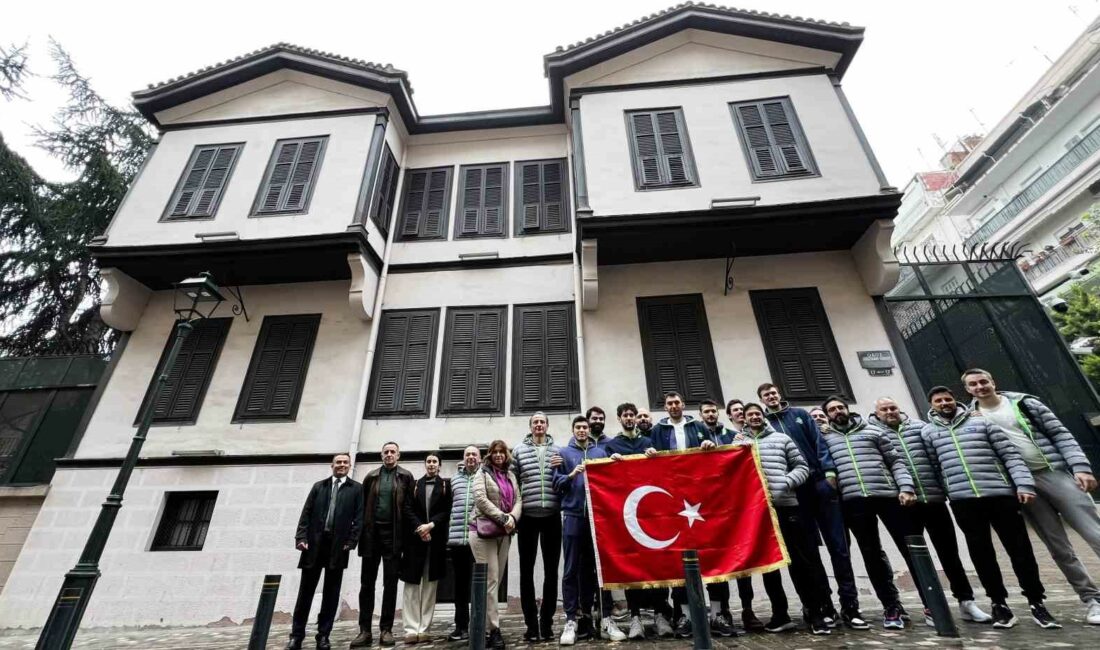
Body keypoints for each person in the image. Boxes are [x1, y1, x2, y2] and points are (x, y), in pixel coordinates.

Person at [964, 368, 1100, 625]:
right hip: (1021, 484)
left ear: (993, 381)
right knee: (1059, 548)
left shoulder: (1024, 403)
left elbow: (1060, 433)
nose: (980, 386)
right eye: (974, 384)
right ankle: (1092, 599)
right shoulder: (969, 416)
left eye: (984, 381)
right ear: (968, 390)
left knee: (1094, 532)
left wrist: (1080, 466)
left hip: (1053, 472)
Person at [921, 386, 1059, 629]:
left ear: (956, 400)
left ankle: (1037, 603)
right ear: (931, 405)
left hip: (1000, 495)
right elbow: (934, 466)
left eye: (948, 399)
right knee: (981, 554)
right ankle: (999, 604)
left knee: (1020, 549)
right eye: (938, 400)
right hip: (963, 501)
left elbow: (1009, 455)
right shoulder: (928, 433)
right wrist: (950, 490)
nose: (944, 403)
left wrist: (1023, 484)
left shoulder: (982, 423)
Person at [869, 397, 991, 625]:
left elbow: (938, 458)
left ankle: (966, 602)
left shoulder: (921, 428)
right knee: (914, 558)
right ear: (876, 414)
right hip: (902, 505)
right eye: (884, 409)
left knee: (949, 553)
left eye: (893, 407)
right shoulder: (872, 434)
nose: (890, 411)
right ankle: (930, 606)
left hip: (933, 499)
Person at [757, 382, 854, 626]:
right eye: (765, 395)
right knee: (809, 553)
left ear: (779, 394)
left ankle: (850, 605)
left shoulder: (800, 415)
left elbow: (819, 443)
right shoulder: (764, 426)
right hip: (795, 495)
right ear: (761, 400)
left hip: (820, 485)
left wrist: (830, 472)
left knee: (839, 547)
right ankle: (825, 604)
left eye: (773, 393)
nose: (771, 397)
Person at [735, 403, 831, 635]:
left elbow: (802, 466)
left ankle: (814, 613)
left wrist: (786, 482)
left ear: (763, 416)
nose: (755, 417)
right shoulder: (739, 444)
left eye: (758, 413)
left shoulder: (782, 439)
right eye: (750, 415)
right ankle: (780, 614)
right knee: (770, 566)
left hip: (788, 507)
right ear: (744, 420)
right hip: (759, 514)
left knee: (801, 563)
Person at [821, 395, 915, 630]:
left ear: (848, 409)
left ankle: (930, 603)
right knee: (872, 554)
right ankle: (891, 606)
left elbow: (895, 461)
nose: (837, 411)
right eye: (832, 410)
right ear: (827, 415)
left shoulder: (873, 431)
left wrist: (905, 487)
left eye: (840, 407)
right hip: (854, 502)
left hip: (888, 497)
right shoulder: (825, 438)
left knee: (910, 549)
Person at [644, 393, 732, 638]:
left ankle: (718, 614)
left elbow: (714, 454)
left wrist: (709, 447)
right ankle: (685, 615)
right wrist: (650, 452)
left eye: (677, 403)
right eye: (669, 404)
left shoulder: (699, 426)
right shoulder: (658, 430)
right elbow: (651, 459)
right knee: (678, 559)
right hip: (673, 502)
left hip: (702, 500)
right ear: (665, 407)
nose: (673, 406)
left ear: (683, 405)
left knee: (713, 556)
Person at [605, 402, 676, 640]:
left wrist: (655, 459)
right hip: (627, 516)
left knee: (658, 561)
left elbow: (662, 474)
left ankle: (659, 615)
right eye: (624, 415)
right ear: (619, 418)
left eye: (632, 415)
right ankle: (635, 617)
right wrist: (609, 462)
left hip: (651, 513)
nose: (629, 418)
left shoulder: (648, 443)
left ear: (636, 418)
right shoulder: (612, 445)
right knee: (632, 565)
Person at [555, 416, 625, 644]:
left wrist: (615, 462)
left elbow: (613, 481)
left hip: (598, 519)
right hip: (574, 516)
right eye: (578, 427)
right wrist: (572, 474)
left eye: (585, 427)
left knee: (599, 569)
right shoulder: (564, 453)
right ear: (573, 430)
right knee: (571, 569)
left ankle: (605, 618)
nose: (582, 430)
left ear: (589, 430)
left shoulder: (600, 452)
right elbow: (557, 485)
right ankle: (571, 620)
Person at [287, 453, 363, 650]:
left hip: (338, 547)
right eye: (338, 462)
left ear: (349, 465)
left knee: (331, 594)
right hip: (313, 545)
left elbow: (359, 518)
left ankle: (323, 636)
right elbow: (306, 513)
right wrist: (301, 538)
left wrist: (351, 542)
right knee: (305, 593)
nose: (342, 465)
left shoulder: (356, 489)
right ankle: (296, 636)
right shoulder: (319, 486)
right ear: (332, 465)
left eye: (345, 462)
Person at [353, 442, 415, 648]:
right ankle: (364, 631)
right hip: (372, 535)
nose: (389, 455)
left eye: (392, 452)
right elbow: (361, 509)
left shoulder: (405, 476)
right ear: (381, 455)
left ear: (398, 455)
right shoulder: (370, 477)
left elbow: (409, 509)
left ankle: (386, 630)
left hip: (394, 537)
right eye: (386, 452)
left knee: (390, 584)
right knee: (366, 584)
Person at [512, 412, 562, 641]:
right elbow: (511, 483)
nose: (539, 425)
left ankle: (547, 623)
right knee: (526, 572)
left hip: (552, 515)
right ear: (530, 426)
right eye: (535, 422)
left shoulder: (558, 451)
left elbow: (565, 478)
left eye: (542, 422)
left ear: (547, 426)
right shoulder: (518, 451)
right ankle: (531, 625)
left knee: (551, 572)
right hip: (528, 518)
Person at [471, 440, 522, 650]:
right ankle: (493, 630)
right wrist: (503, 517)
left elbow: (519, 499)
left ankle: (481, 626)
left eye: (502, 452)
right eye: (495, 452)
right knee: (490, 581)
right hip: (483, 532)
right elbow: (481, 500)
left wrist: (513, 518)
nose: (499, 455)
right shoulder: (481, 473)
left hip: (505, 532)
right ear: (490, 454)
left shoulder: (510, 475)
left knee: (495, 582)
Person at [400, 454, 452, 644]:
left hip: (435, 541)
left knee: (430, 587)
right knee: (412, 586)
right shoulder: (414, 485)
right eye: (428, 462)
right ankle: (411, 628)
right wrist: (420, 528)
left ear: (439, 466)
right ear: (425, 465)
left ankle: (424, 628)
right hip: (415, 541)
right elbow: (407, 509)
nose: (431, 464)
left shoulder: (446, 486)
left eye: (434, 462)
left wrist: (431, 525)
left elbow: (447, 511)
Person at [445, 445, 482, 642]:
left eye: (474, 454)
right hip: (458, 539)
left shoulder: (485, 476)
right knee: (460, 586)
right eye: (467, 454)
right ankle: (461, 626)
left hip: (479, 539)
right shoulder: (454, 480)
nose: (470, 457)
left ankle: (478, 624)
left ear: (480, 458)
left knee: (479, 585)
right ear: (463, 458)